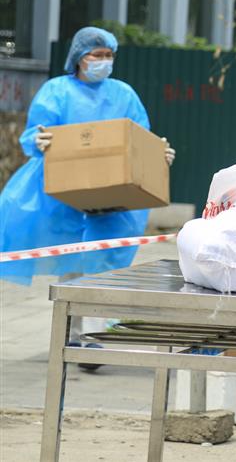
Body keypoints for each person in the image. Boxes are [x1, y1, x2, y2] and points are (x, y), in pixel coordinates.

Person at [0, 27, 175, 367]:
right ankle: (74, 336)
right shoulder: (57, 91)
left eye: (109, 55)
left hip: (112, 200)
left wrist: (157, 155)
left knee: (103, 265)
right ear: (79, 57)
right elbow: (35, 134)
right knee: (72, 264)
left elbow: (140, 138)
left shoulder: (123, 94)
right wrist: (39, 142)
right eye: (97, 55)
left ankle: (90, 339)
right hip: (64, 196)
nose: (104, 61)